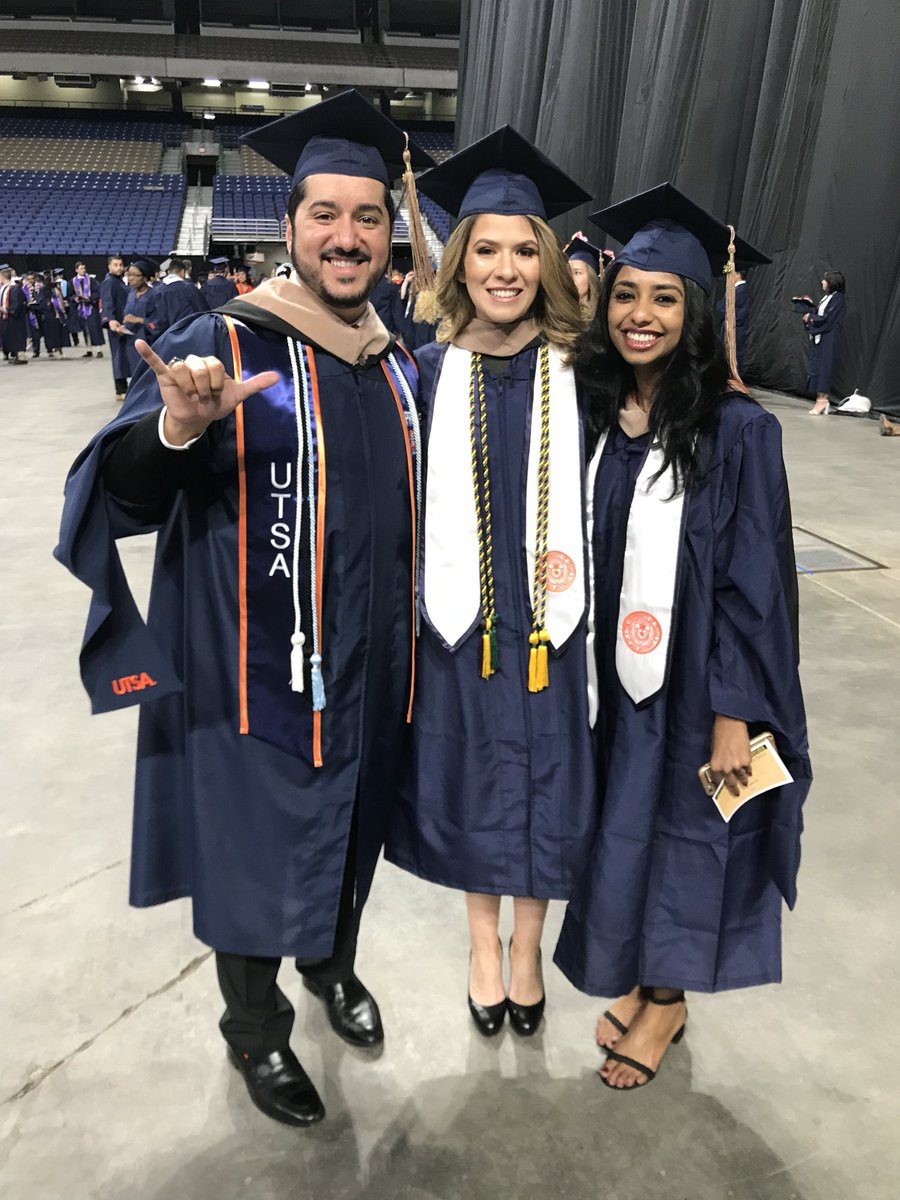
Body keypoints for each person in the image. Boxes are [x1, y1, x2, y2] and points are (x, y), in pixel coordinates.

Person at [55, 89, 434, 1130]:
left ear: (389, 236)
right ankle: (255, 1030)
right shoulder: (228, 342)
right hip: (251, 675)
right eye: (327, 216)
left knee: (351, 834)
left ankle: (332, 968)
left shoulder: (395, 361)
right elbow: (126, 488)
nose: (347, 238)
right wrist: (175, 428)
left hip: (370, 666)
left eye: (368, 218)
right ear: (290, 226)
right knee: (256, 854)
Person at [551, 183, 812, 1090]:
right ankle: (639, 973)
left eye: (666, 299)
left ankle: (666, 999)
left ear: (698, 313)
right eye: (627, 294)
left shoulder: (740, 433)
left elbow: (757, 587)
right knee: (619, 830)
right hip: (609, 678)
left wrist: (737, 710)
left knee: (682, 832)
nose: (640, 315)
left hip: (697, 686)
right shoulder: (593, 417)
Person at [385, 126, 596, 1039]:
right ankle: (483, 946)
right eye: (486, 249)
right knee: (472, 774)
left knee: (551, 776)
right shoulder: (423, 372)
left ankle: (527, 950)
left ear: (545, 263)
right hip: (460, 622)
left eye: (523, 250)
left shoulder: (584, 374)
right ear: (459, 261)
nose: (504, 268)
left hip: (556, 620)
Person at [804, 270, 847, 415]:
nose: (822, 282)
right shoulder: (827, 297)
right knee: (818, 366)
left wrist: (812, 317)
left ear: (832, 282)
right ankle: (820, 399)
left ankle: (822, 401)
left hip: (829, 338)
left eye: (825, 279)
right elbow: (821, 314)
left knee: (825, 368)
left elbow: (829, 319)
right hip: (821, 337)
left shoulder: (838, 299)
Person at [144, 257, 208, 343]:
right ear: (182, 272)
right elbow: (202, 311)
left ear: (169, 271)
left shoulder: (156, 291)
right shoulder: (189, 288)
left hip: (163, 340)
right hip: (187, 338)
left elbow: (151, 320)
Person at [100, 255, 131, 401]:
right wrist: (110, 320)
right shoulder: (109, 282)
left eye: (120, 264)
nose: (119, 267)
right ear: (109, 266)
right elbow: (107, 302)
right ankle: (120, 389)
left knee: (124, 355)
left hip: (124, 324)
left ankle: (125, 387)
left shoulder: (119, 281)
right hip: (117, 325)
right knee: (118, 356)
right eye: (116, 265)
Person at [121, 258, 157, 380]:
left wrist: (139, 320)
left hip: (148, 343)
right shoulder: (131, 294)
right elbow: (127, 315)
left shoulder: (155, 295)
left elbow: (160, 322)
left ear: (144, 277)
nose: (130, 278)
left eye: (134, 275)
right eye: (129, 274)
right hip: (131, 342)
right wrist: (122, 327)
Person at [715, 265, 752, 372]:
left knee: (733, 353)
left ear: (737, 275)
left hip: (734, 329)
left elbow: (738, 312)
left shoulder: (741, 291)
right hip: (729, 326)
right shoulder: (736, 290)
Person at [564, 234, 602, 320]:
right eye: (568, 272)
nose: (570, 277)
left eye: (577, 273)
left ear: (591, 279)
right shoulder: (557, 313)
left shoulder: (601, 317)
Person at [71, 262, 104, 357]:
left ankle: (98, 349)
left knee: (94, 329)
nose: (83, 270)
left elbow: (97, 292)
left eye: (84, 268)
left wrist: (90, 298)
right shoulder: (73, 282)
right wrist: (75, 298)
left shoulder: (91, 280)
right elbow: (70, 294)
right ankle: (88, 349)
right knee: (85, 330)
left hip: (91, 308)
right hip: (80, 309)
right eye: (81, 269)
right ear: (76, 270)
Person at [0, 265, 30, 366]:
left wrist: (6, 309)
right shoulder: (4, 288)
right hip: (6, 318)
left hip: (15, 318)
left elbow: (16, 305)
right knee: (10, 337)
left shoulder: (14, 289)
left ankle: (20, 356)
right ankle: (14, 354)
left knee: (17, 336)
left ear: (3, 277)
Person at [40, 270, 71, 358]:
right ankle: (55, 350)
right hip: (50, 314)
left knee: (60, 332)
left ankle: (60, 350)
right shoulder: (44, 289)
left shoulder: (57, 288)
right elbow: (43, 302)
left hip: (59, 313)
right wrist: (49, 303)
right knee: (53, 333)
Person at [21, 270, 44, 358]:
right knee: (35, 333)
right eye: (29, 279)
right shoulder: (24, 288)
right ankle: (36, 350)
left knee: (44, 331)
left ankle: (50, 349)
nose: (30, 281)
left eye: (32, 279)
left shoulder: (40, 287)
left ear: (35, 278)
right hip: (31, 312)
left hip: (40, 311)